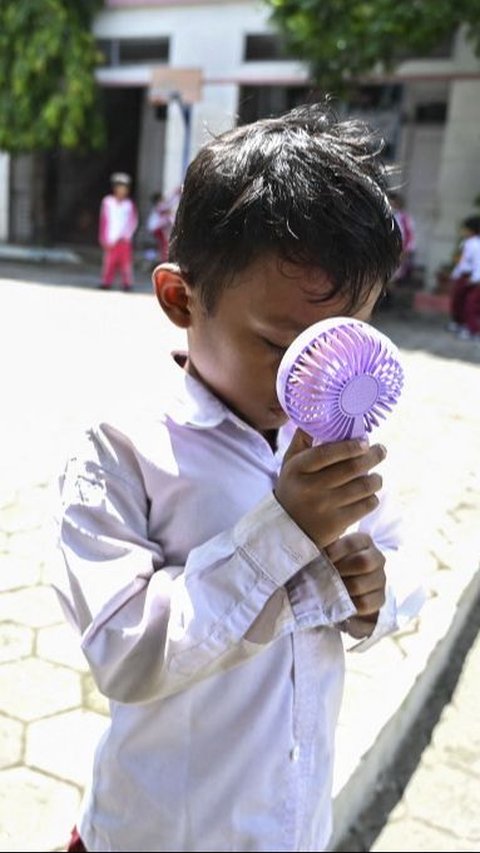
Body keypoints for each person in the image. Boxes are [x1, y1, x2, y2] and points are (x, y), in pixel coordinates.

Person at [54, 101, 424, 853]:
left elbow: (402, 557)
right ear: (179, 299)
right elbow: (125, 652)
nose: (314, 384)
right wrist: (281, 534)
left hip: (289, 828)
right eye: (285, 350)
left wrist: (375, 593)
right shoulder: (123, 450)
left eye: (339, 345)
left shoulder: (335, 433)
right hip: (157, 832)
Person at [98, 172, 139, 291]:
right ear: (115, 188)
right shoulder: (108, 202)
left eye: (124, 188)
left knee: (125, 263)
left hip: (124, 239)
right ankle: (106, 282)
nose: (122, 191)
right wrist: (104, 237)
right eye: (119, 188)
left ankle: (127, 283)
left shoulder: (129, 204)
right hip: (111, 238)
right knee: (109, 261)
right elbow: (104, 220)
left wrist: (127, 234)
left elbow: (133, 221)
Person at [446, 215, 480, 340]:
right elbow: (462, 262)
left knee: (470, 304)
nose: (462, 231)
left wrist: (476, 278)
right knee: (458, 301)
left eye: (465, 228)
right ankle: (459, 324)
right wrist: (455, 274)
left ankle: (473, 330)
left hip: (471, 277)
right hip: (463, 276)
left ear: (472, 229)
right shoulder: (466, 242)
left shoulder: (476, 244)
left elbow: (477, 262)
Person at [389, 191, 416, 284]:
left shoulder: (404, 218)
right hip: (386, 252)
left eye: (393, 203)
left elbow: (410, 236)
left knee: (394, 278)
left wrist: (404, 253)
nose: (391, 205)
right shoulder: (384, 217)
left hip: (399, 252)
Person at [146, 190, 173, 262]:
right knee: (164, 244)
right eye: (162, 200)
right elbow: (169, 204)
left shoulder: (159, 209)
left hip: (157, 228)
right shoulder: (159, 207)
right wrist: (175, 192)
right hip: (157, 229)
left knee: (164, 244)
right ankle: (164, 259)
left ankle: (164, 258)